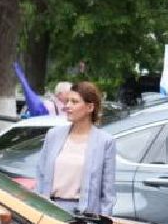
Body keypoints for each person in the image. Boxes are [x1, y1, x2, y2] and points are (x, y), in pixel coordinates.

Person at [33, 81, 117, 215]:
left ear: (90, 107)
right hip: (49, 211)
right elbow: (41, 176)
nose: (68, 106)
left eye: (74, 102)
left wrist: (102, 220)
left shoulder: (105, 142)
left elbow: (108, 192)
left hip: (84, 215)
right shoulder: (54, 135)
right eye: (67, 101)